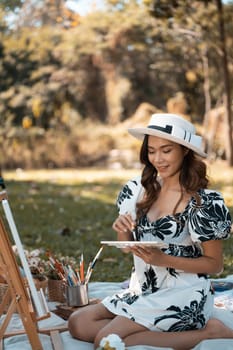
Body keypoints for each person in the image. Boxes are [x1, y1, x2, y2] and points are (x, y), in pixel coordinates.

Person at [68, 113, 233, 350]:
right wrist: (122, 228)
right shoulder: (137, 188)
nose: (158, 159)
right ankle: (145, 329)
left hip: (183, 294)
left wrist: (163, 260)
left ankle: (212, 332)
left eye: (166, 151)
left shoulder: (203, 202)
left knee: (106, 342)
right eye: (152, 150)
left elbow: (215, 265)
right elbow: (127, 248)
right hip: (142, 289)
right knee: (78, 323)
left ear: (185, 150)